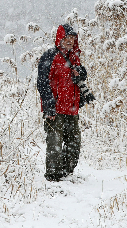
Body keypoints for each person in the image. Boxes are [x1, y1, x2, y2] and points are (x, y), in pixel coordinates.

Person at [37, 24, 87, 182]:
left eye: (73, 38)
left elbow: (77, 80)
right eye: (67, 38)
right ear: (60, 38)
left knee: (74, 143)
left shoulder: (74, 58)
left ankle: (66, 173)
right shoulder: (49, 56)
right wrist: (49, 106)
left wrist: (81, 73)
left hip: (72, 110)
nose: (70, 41)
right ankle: (53, 177)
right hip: (55, 110)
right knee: (55, 144)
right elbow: (42, 83)